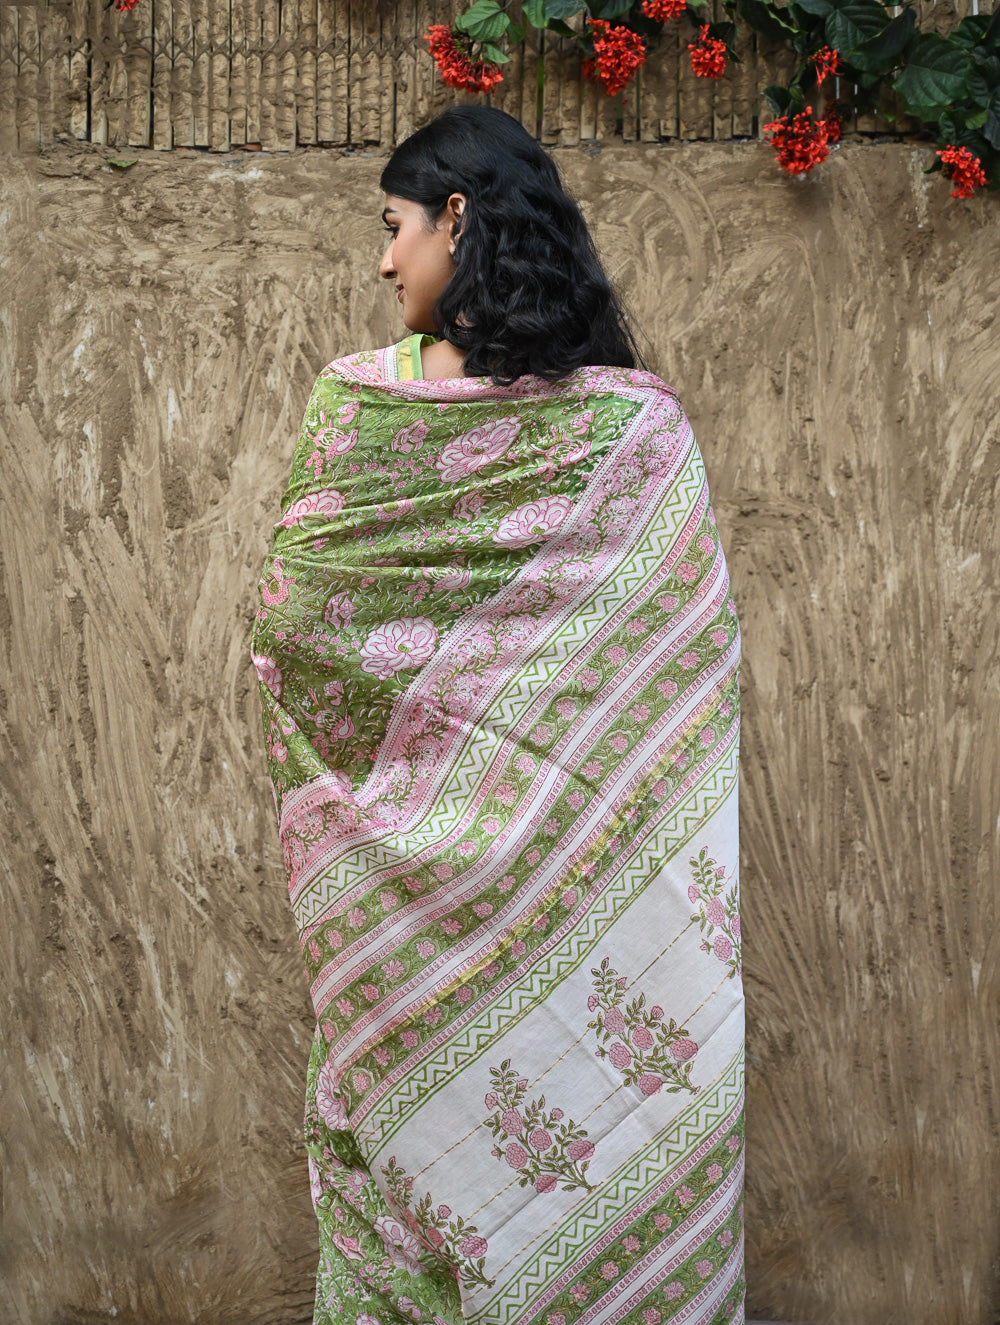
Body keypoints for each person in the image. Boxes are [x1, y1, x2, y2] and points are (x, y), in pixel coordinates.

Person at [251, 105, 744, 1325]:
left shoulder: (628, 430)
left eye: (393, 227)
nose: (381, 261)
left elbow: (670, 659)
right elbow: (304, 612)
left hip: (572, 876)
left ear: (456, 221)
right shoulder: (363, 406)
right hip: (407, 884)